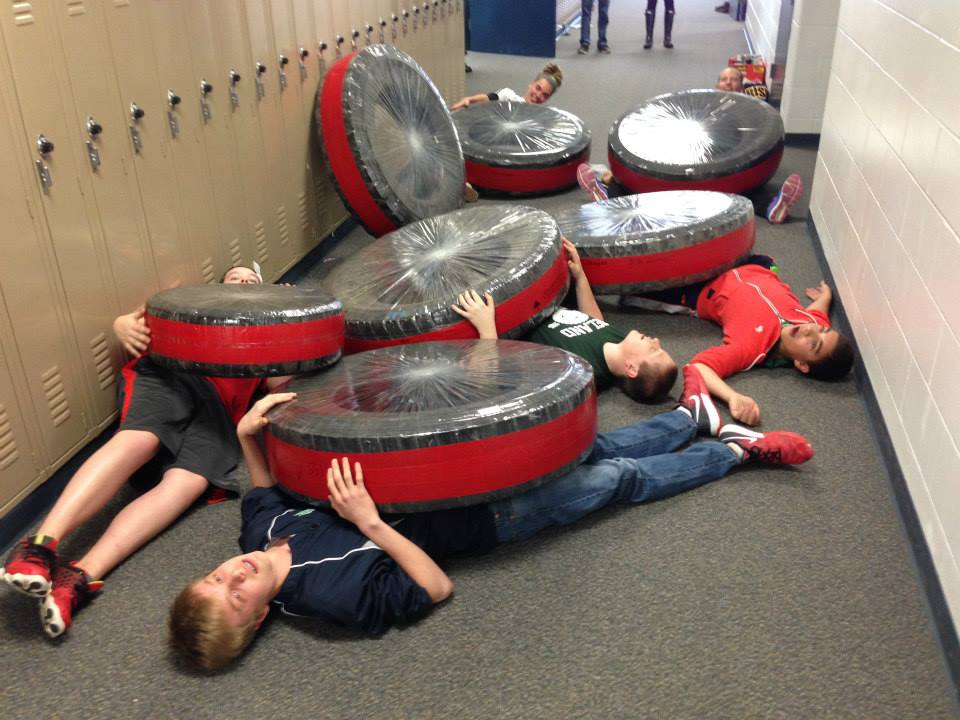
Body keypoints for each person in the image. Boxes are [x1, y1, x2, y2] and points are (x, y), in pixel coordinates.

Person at [168, 377, 814, 672]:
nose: (234, 575)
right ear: (256, 620)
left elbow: (259, 493)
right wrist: (370, 524)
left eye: (214, 578)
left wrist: (250, 439)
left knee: (586, 449)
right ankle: (732, 453)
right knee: (610, 480)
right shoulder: (326, 598)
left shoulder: (257, 536)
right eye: (235, 597)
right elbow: (433, 587)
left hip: (448, 473)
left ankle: (692, 418)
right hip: (485, 519)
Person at [1, 265, 282, 638]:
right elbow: (133, 325)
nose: (244, 283)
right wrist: (121, 325)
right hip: (173, 374)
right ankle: (38, 547)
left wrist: (288, 316)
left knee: (188, 482)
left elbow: (285, 379)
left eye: (252, 281)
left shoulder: (268, 331)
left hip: (218, 414)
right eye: (236, 278)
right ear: (219, 285)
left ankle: (81, 576)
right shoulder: (197, 306)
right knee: (141, 438)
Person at [622, 256, 855, 426]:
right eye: (822, 329)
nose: (811, 330)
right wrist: (826, 296)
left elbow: (699, 367)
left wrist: (731, 396)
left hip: (704, 289)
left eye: (814, 344)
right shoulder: (808, 319)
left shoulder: (752, 349)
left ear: (801, 365)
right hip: (752, 266)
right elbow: (819, 313)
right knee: (764, 258)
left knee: (630, 291)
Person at [453, 239, 678, 403]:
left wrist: (486, 329)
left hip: (508, 319)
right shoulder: (621, 341)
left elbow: (489, 382)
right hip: (538, 300)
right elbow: (594, 322)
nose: (656, 340)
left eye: (654, 351)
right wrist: (580, 277)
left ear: (631, 368)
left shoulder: (580, 372)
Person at [450, 63, 563, 110]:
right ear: (532, 83)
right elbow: (488, 98)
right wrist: (469, 99)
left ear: (547, 99)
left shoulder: (543, 117)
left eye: (545, 95)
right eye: (538, 88)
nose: (538, 95)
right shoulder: (508, 96)